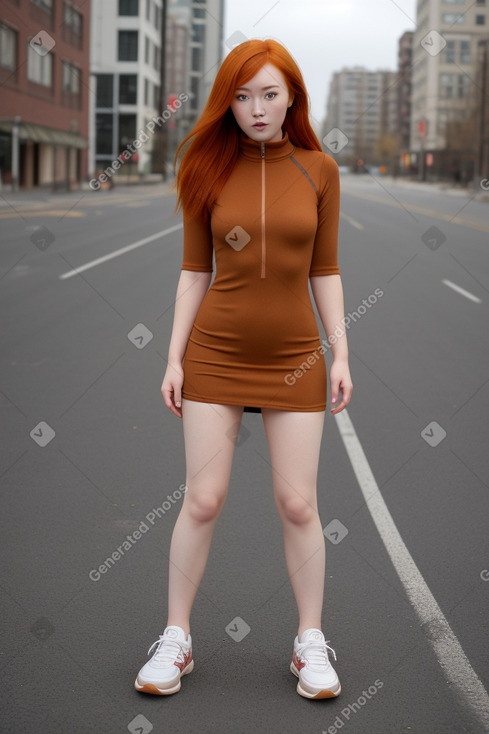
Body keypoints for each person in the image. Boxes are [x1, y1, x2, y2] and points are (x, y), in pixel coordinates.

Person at [134, 38, 353, 700]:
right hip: (216, 353)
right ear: (225, 102)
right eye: (239, 95)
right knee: (202, 499)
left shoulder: (320, 171)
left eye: (267, 93)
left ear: (291, 96)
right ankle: (176, 639)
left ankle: (308, 641)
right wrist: (171, 356)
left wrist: (341, 351)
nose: (254, 108)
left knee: (297, 502)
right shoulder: (206, 168)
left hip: (294, 359)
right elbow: (194, 269)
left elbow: (325, 270)